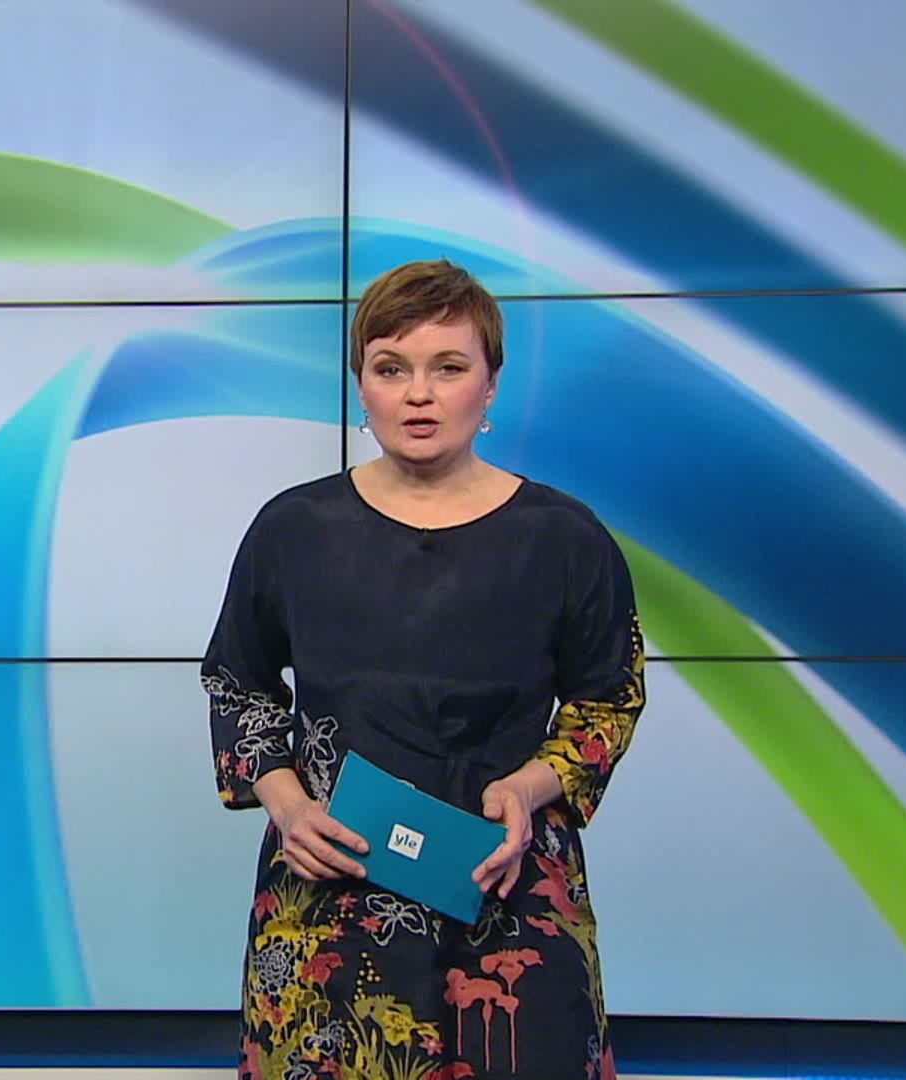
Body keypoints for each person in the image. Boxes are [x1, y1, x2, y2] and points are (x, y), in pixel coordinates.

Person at [202, 259, 645, 1080]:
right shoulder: (293, 530)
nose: (418, 395)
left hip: (508, 885)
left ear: (490, 384)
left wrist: (528, 790)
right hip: (333, 892)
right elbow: (238, 682)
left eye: (447, 368)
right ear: (360, 386)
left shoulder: (566, 539)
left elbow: (607, 701)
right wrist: (290, 807)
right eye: (390, 368)